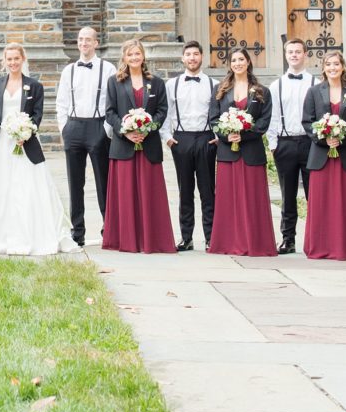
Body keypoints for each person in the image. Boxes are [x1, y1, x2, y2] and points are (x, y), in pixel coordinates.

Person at [0, 42, 74, 256]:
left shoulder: (34, 86)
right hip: (2, 145)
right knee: (1, 189)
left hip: (25, 144)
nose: (12, 63)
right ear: (4, 61)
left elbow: (37, 115)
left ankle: (32, 234)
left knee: (27, 188)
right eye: (9, 59)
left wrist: (26, 132)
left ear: (23, 59)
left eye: (16, 59)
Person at [103, 38, 176, 253]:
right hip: (123, 147)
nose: (135, 58)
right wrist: (127, 131)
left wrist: (147, 129)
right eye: (130, 54)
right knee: (125, 195)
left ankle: (152, 240)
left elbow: (162, 110)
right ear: (124, 57)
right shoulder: (114, 82)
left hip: (149, 145)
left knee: (149, 194)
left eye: (138, 54)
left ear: (143, 56)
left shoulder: (157, 82)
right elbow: (110, 112)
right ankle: (126, 240)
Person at [302, 50, 346, 260]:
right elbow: (307, 121)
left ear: (343, 67)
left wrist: (342, 138)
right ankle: (321, 247)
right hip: (321, 157)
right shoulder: (314, 92)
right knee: (322, 204)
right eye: (328, 64)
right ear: (323, 68)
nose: (332, 68)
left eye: (336, 64)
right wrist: (325, 139)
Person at [208, 47, 276, 257]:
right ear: (229, 64)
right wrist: (227, 136)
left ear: (248, 62)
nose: (237, 63)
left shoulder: (261, 91)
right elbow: (213, 119)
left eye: (241, 59)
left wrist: (244, 135)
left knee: (252, 199)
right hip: (228, 154)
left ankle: (256, 243)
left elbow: (264, 121)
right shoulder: (220, 89)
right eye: (234, 60)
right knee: (229, 200)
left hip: (252, 152)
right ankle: (227, 243)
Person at [56, 26, 116, 247]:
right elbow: (61, 102)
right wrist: (64, 129)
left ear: (96, 43)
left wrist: (106, 131)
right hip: (73, 126)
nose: (84, 43)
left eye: (88, 39)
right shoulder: (68, 70)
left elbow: (112, 101)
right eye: (81, 39)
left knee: (103, 181)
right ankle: (77, 230)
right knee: (75, 182)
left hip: (98, 127)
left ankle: (108, 228)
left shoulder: (108, 69)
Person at [162, 40, 218, 251]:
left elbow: (219, 112)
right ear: (182, 58)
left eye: (196, 54)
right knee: (185, 190)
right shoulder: (172, 84)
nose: (192, 58)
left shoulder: (213, 84)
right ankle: (186, 237)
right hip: (181, 139)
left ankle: (211, 237)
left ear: (201, 57)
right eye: (188, 54)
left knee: (207, 190)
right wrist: (167, 137)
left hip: (206, 138)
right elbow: (165, 113)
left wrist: (218, 137)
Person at [267, 38, 316, 254]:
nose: (294, 55)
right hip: (285, 143)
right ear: (286, 55)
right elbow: (273, 116)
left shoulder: (315, 83)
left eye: (298, 51)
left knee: (313, 193)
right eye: (290, 52)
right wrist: (273, 143)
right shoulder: (276, 85)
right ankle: (288, 239)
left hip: (310, 143)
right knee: (288, 194)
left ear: (305, 54)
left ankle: (315, 239)